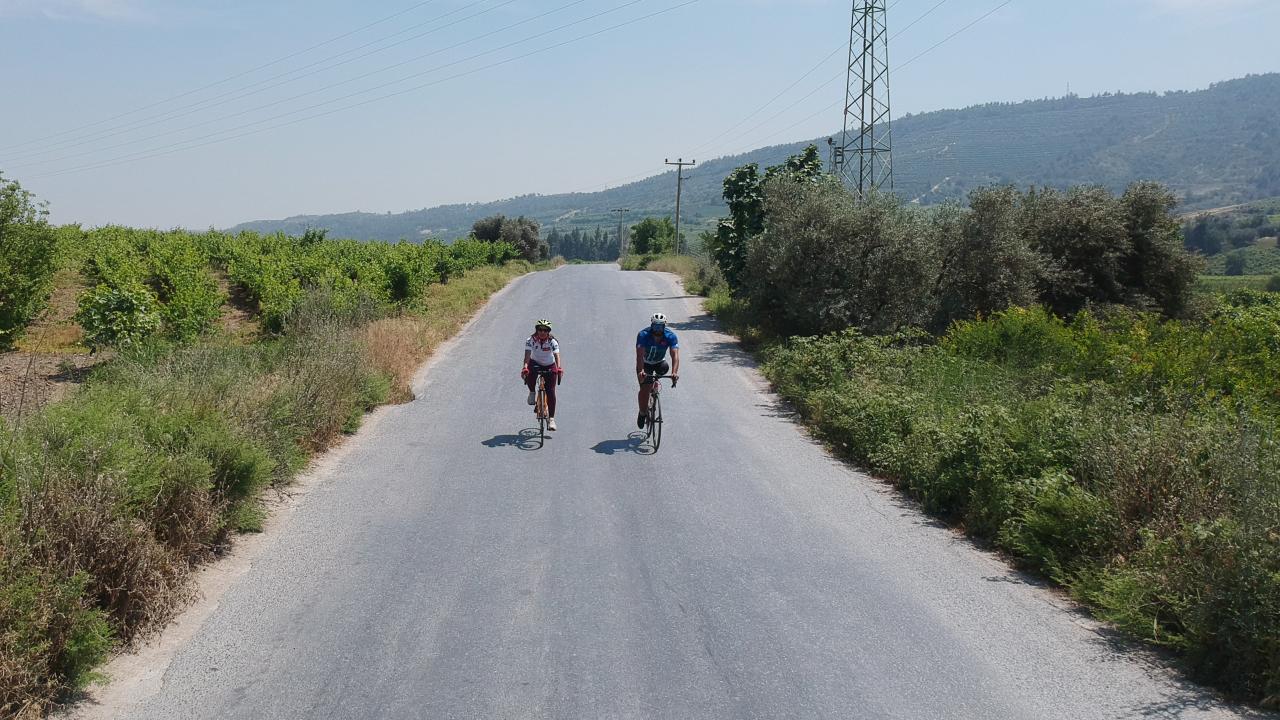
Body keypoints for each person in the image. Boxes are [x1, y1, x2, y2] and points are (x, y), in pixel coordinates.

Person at [635, 312, 679, 429]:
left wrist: (674, 373)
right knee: (645, 389)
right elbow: (639, 356)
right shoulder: (643, 335)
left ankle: (654, 385)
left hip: (660, 363)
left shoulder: (671, 336)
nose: (658, 329)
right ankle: (642, 413)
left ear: (664, 326)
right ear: (651, 325)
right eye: (655, 326)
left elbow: (675, 355)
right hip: (645, 364)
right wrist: (641, 371)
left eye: (660, 326)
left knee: (664, 369)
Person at [522, 319, 562, 431]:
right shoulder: (530, 340)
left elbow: (557, 355)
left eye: (545, 330)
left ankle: (552, 419)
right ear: (537, 330)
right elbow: (527, 355)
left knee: (551, 391)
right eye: (540, 330)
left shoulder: (552, 341)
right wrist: (525, 367)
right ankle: (532, 392)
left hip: (550, 364)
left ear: (548, 332)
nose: (542, 332)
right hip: (535, 363)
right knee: (530, 372)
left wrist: (559, 368)